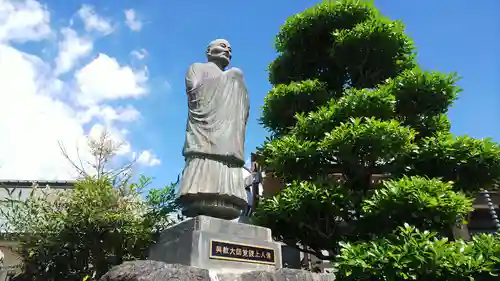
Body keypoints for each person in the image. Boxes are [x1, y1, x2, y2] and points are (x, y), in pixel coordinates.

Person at [177, 39, 250, 220]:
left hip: (228, 134)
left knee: (236, 74)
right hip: (204, 130)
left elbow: (243, 108)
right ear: (209, 51)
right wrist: (223, 84)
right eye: (223, 46)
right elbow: (194, 91)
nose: (227, 51)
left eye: (230, 49)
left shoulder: (234, 76)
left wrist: (232, 81)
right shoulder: (197, 67)